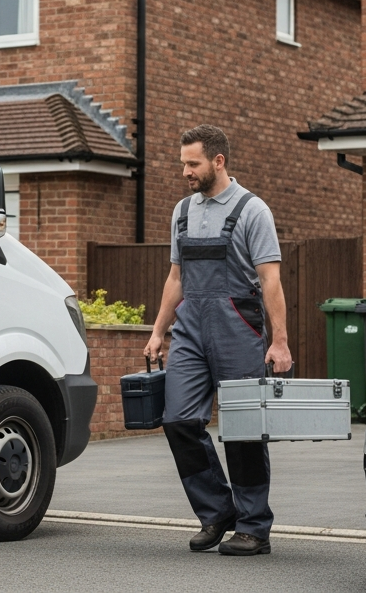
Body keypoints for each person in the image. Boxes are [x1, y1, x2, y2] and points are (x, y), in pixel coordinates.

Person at [144, 124, 292, 557]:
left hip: (238, 328)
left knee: (244, 430)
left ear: (218, 161)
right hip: (190, 329)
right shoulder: (183, 211)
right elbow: (176, 278)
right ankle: (217, 512)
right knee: (179, 421)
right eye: (183, 164)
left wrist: (279, 342)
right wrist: (157, 331)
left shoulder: (252, 210)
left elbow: (271, 280)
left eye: (193, 163)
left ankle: (253, 526)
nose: (186, 171)